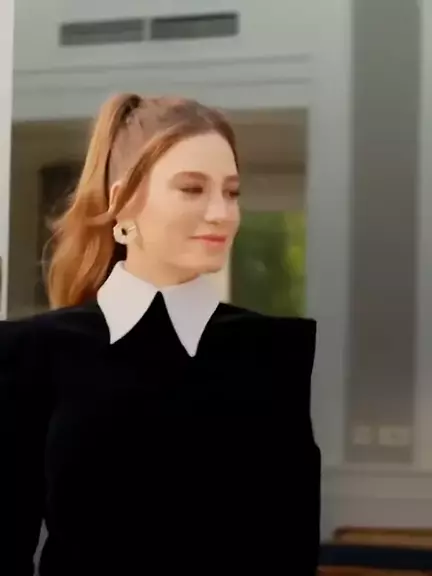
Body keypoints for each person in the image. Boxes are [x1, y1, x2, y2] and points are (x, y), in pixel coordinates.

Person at [0, 94, 321, 575]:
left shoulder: (274, 351)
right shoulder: (31, 352)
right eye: (192, 189)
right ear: (122, 203)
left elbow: (288, 553)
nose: (222, 213)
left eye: (231, 192)